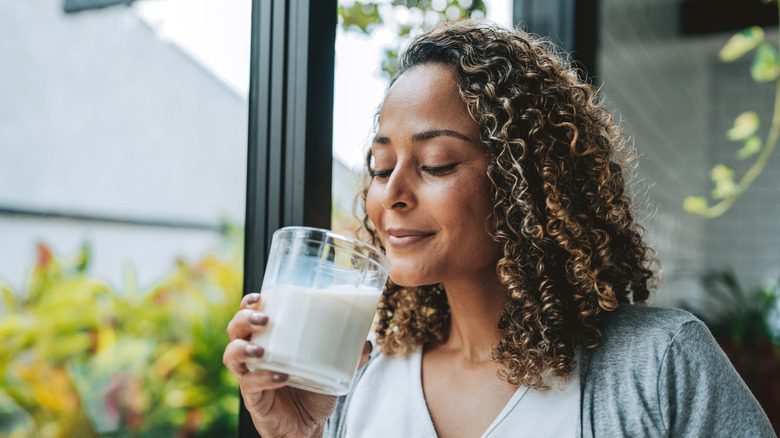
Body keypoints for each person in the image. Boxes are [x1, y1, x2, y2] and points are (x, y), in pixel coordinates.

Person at [224, 20, 775, 437]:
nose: (391, 194)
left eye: (436, 163)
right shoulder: (353, 380)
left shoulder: (658, 366)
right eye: (380, 166)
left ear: (525, 179)